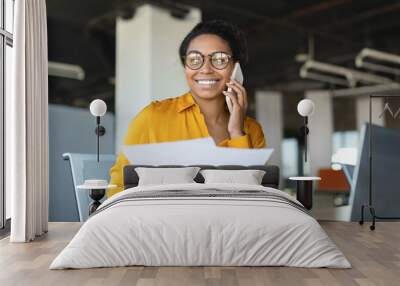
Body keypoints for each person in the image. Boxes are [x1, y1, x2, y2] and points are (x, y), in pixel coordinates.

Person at [108, 19, 266, 197]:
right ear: (185, 67)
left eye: (220, 59)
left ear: (236, 68)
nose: (205, 69)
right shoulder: (152, 117)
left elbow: (251, 198)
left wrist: (237, 132)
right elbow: (118, 186)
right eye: (195, 59)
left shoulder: (252, 130)